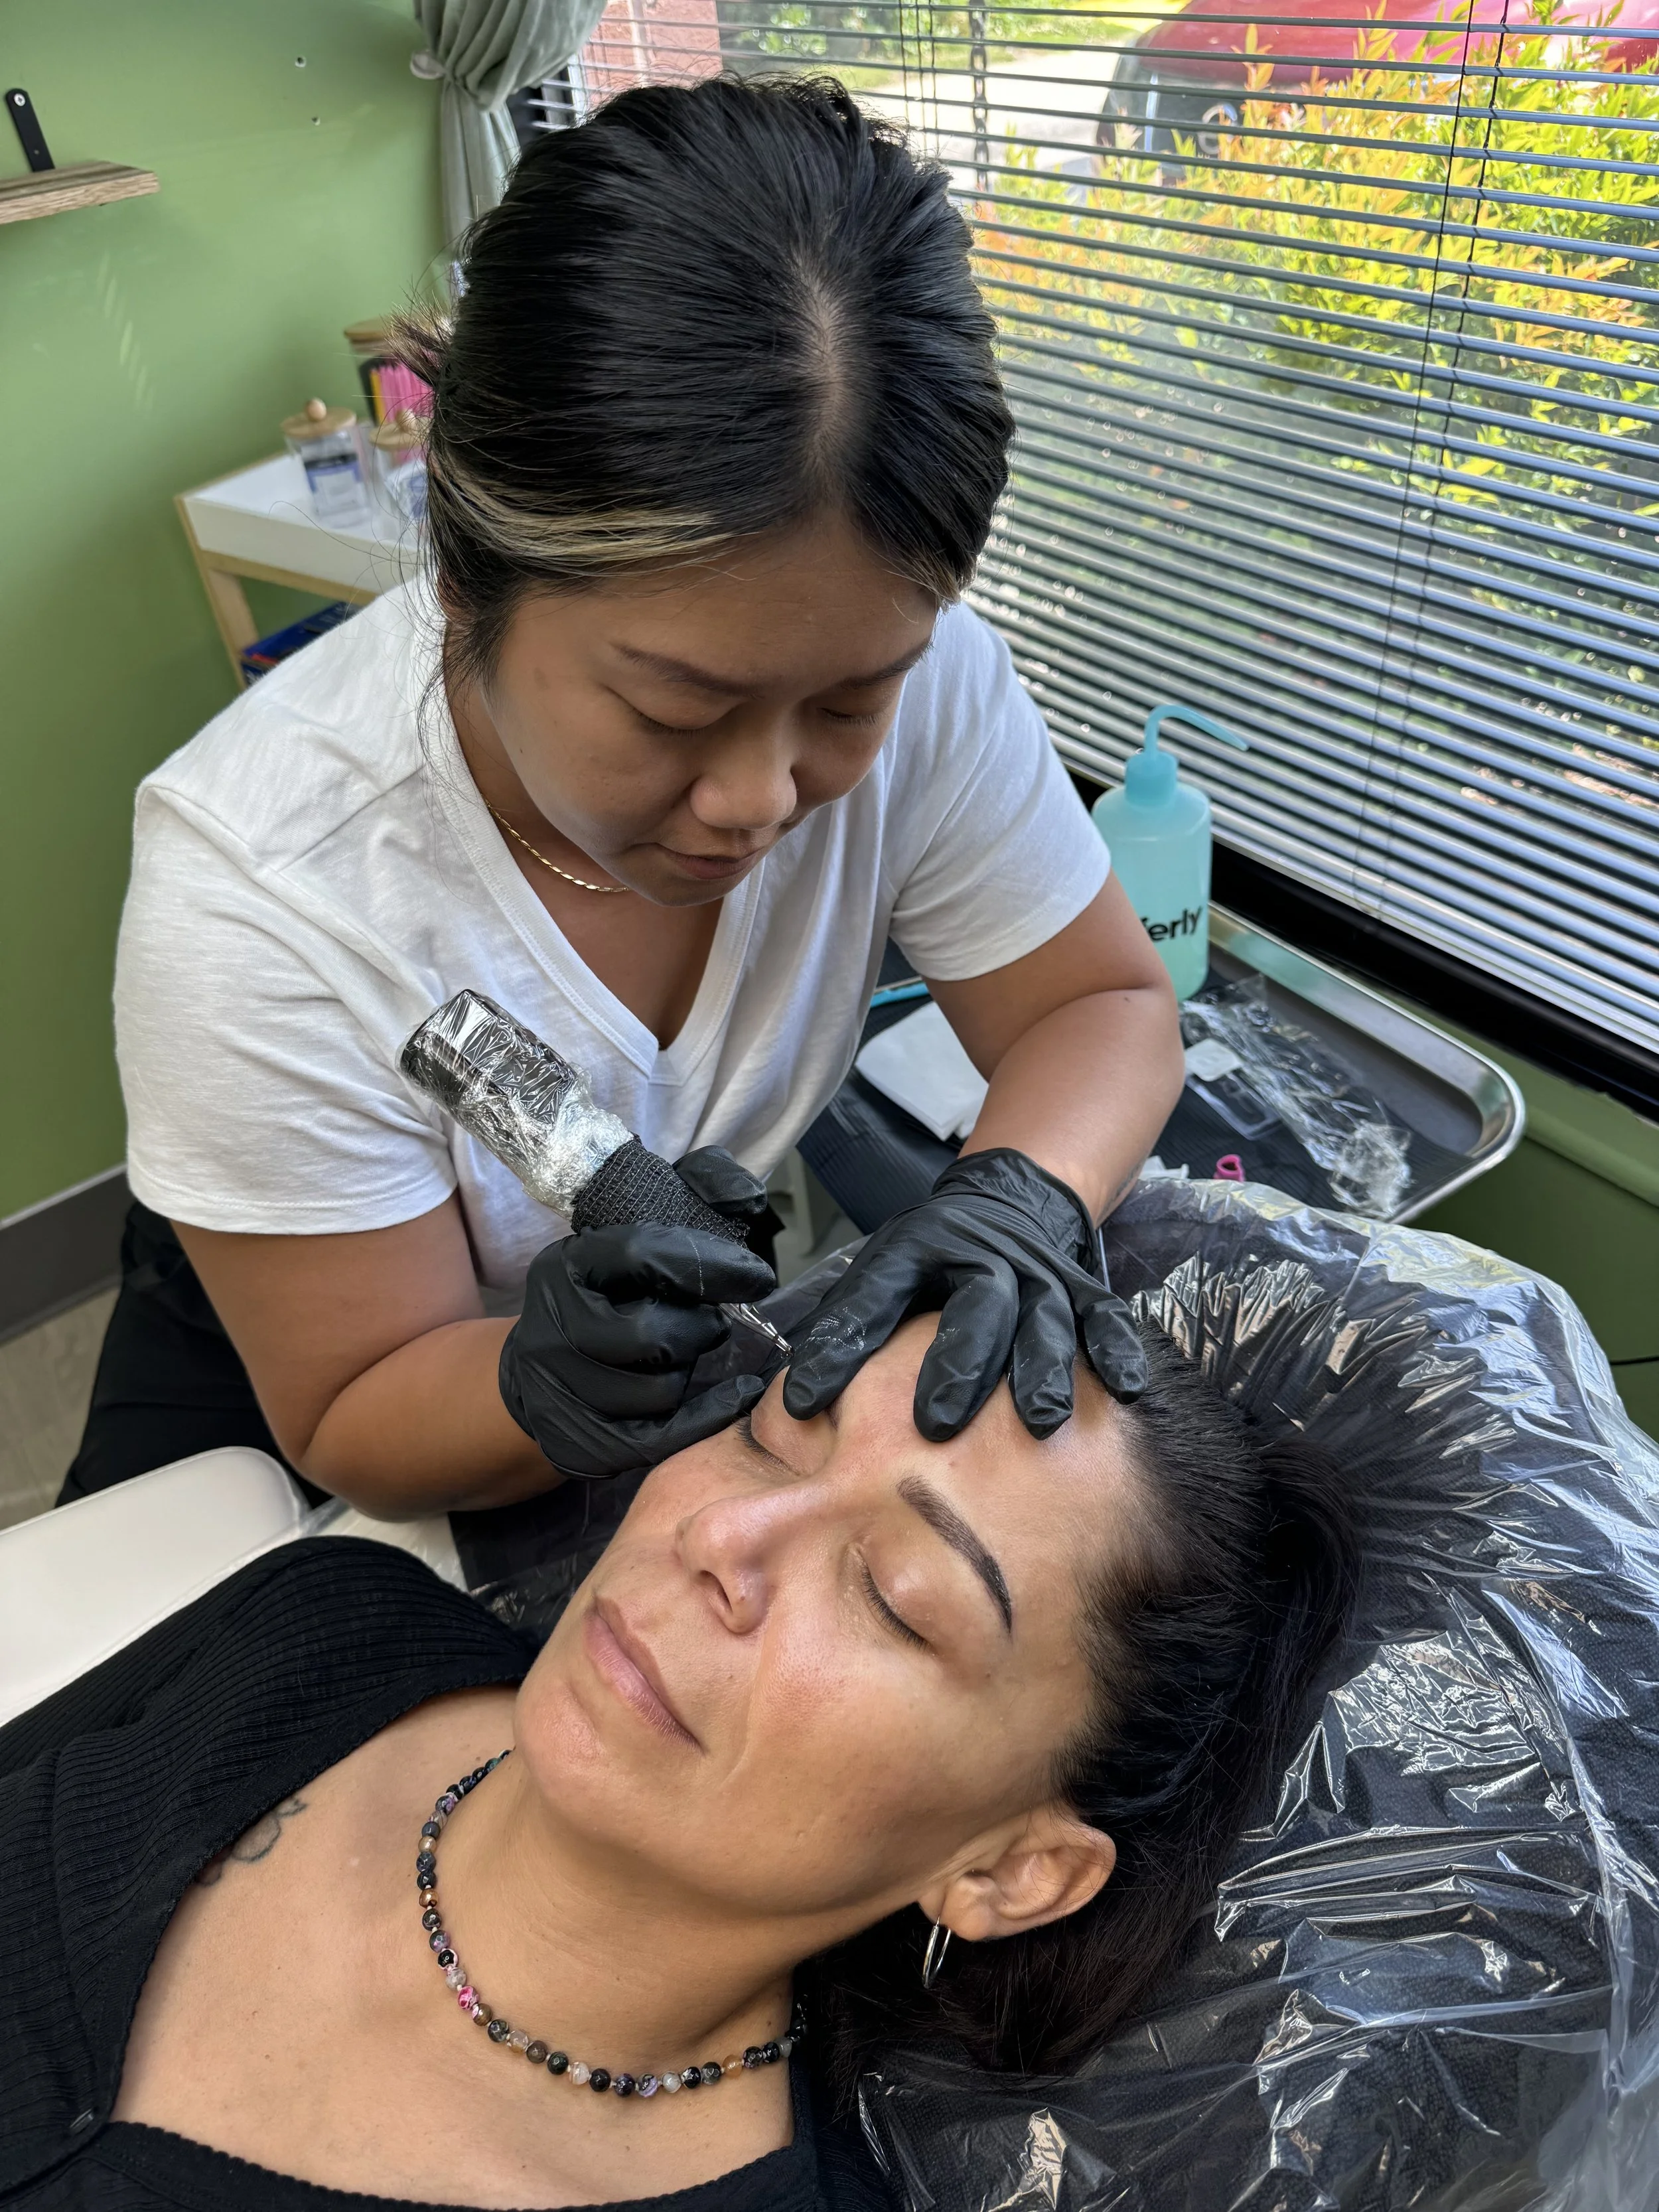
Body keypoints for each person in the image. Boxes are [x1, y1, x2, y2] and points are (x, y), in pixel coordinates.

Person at [66, 72, 1184, 1528]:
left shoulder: (928, 677)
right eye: (674, 711)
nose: (761, 799)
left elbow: (1097, 1006)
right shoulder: (261, 886)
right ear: (463, 578)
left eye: (849, 705)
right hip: (305, 1394)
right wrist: (537, 1384)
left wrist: (1023, 1189)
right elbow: (348, 1411)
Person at [7, 1320, 1356, 2211]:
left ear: (1008, 1870)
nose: (720, 1533)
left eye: (894, 1594)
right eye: (769, 1433)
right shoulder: (328, 1620)